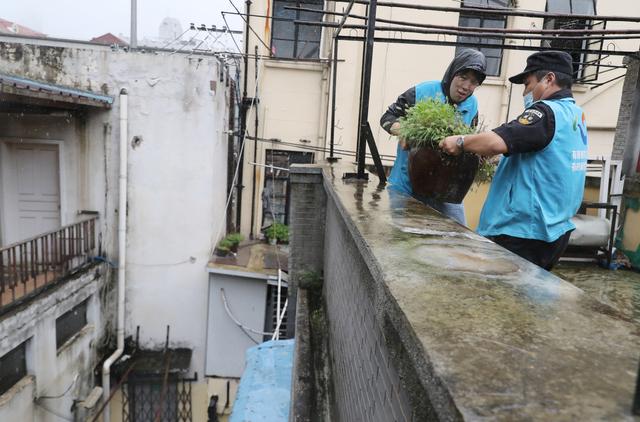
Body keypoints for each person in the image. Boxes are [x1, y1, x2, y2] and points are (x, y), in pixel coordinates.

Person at [439, 51, 588, 270]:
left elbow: (495, 142)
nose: (525, 92)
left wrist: (459, 141)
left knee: (498, 297)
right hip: (556, 229)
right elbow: (547, 160)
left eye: (528, 84)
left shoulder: (546, 113)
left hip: (523, 233)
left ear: (548, 79)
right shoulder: (576, 115)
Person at [380, 49, 487, 225]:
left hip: (447, 192)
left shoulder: (472, 105)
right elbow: (387, 117)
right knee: (402, 242)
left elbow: (469, 139)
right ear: (452, 73)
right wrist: (405, 131)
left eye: (474, 82)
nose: (466, 86)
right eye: (463, 77)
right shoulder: (423, 92)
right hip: (407, 187)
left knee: (457, 239)